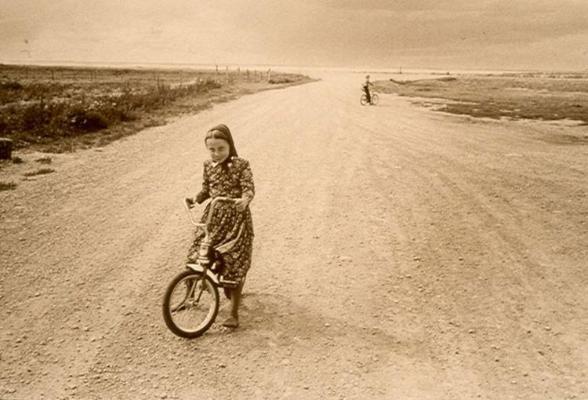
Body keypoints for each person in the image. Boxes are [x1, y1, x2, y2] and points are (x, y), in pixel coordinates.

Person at [187, 124, 255, 329]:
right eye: (212, 149)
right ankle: (189, 296)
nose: (216, 154)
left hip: (236, 218)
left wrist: (245, 199)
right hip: (214, 216)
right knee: (196, 252)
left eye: (221, 149)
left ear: (230, 146)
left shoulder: (241, 165)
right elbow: (207, 189)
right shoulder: (208, 165)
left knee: (234, 262)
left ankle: (233, 313)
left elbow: (249, 188)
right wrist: (195, 199)